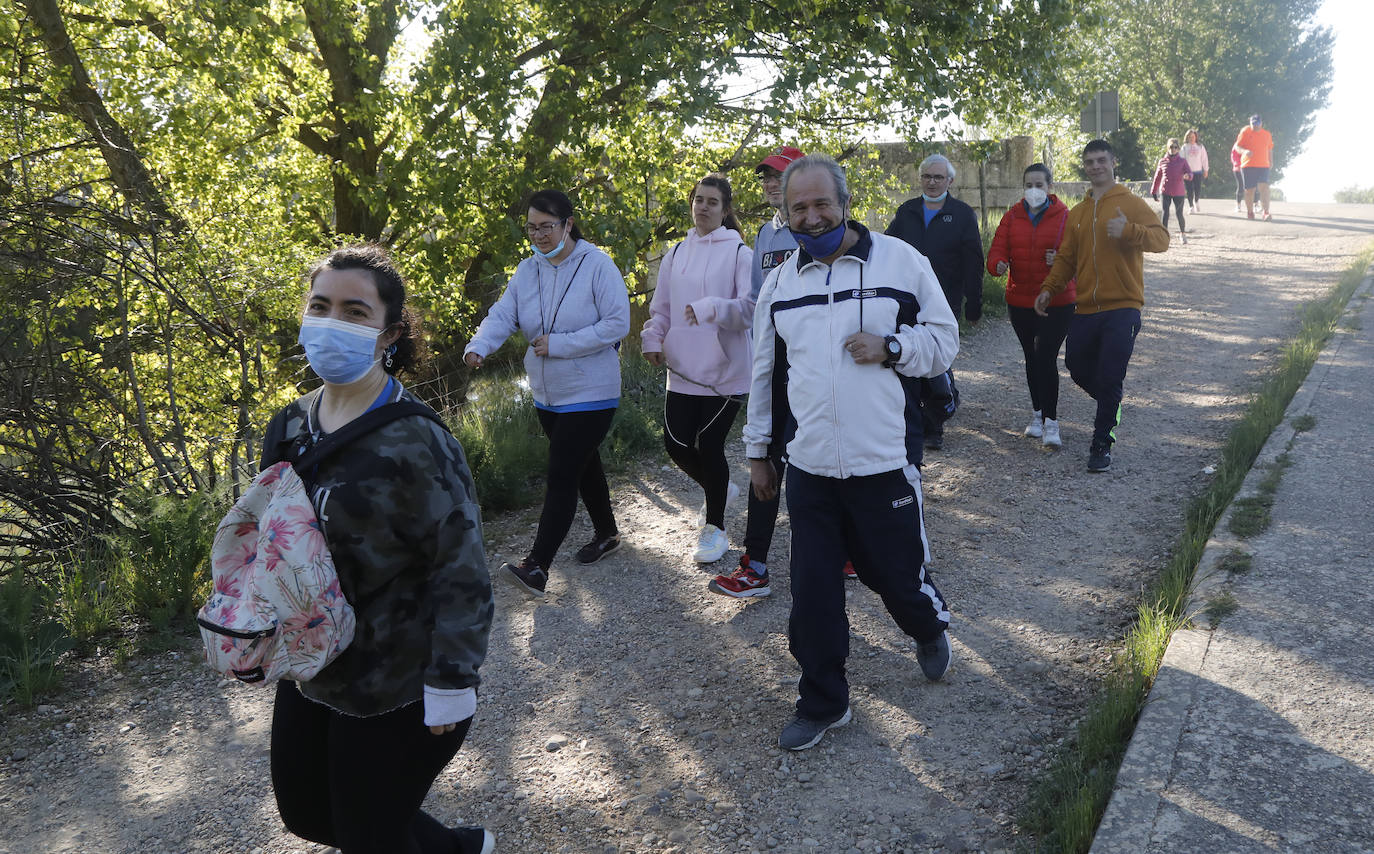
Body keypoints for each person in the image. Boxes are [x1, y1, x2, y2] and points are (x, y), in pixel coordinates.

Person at [263, 245, 495, 854]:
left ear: (388, 333)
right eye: (321, 306)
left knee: (368, 833)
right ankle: (457, 848)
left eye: (354, 311)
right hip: (314, 662)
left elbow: (461, 566)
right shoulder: (290, 424)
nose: (331, 321)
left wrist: (452, 678)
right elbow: (276, 538)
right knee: (309, 814)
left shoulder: (417, 438)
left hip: (396, 677)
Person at [744, 154, 959, 751]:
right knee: (812, 591)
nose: (812, 218)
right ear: (785, 216)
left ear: (843, 201)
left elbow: (944, 343)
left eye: (821, 204)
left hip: (883, 461)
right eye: (798, 209)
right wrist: (759, 452)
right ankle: (823, 701)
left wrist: (892, 346)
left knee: (894, 579)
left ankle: (927, 624)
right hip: (809, 468)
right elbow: (763, 374)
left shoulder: (900, 261)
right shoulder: (781, 285)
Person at [707, 145, 858, 598]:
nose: (771, 184)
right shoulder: (765, 236)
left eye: (779, 176)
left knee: (834, 457)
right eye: (766, 179)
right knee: (764, 458)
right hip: (776, 369)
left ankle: (849, 546)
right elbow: (758, 303)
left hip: (822, 369)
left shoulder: (826, 227)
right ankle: (754, 563)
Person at [464, 189, 631, 597]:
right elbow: (503, 314)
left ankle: (537, 567)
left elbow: (617, 323)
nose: (538, 235)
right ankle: (607, 534)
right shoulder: (527, 270)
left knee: (561, 474)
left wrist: (560, 344)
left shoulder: (597, 265)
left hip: (592, 391)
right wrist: (479, 345)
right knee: (583, 465)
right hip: (547, 394)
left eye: (546, 226)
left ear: (568, 224)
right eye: (532, 228)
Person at [1035, 140, 1169, 473]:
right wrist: (1049, 289)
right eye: (1090, 162)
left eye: (1101, 161)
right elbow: (1067, 258)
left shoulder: (1130, 202)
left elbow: (1162, 239)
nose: (1095, 166)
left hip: (1124, 306)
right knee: (1077, 366)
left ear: (1113, 162)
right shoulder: (1078, 212)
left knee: (1110, 376)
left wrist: (1129, 231)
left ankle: (1101, 443)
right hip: (1086, 308)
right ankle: (1112, 403)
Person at [641, 174, 754, 564]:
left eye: (712, 202)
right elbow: (662, 311)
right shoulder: (675, 253)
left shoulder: (741, 254)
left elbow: (750, 310)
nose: (703, 207)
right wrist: (653, 339)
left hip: (727, 373)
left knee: (710, 446)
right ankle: (718, 487)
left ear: (726, 210)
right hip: (683, 371)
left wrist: (711, 308)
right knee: (675, 444)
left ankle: (716, 528)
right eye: (698, 200)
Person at [884, 153, 983, 451]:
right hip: (908, 299)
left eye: (938, 177)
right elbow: (888, 249)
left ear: (950, 181)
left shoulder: (963, 214)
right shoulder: (907, 211)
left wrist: (974, 302)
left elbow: (973, 261)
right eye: (927, 176)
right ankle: (921, 418)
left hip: (945, 299)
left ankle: (936, 419)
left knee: (937, 358)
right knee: (913, 355)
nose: (932, 181)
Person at [986, 163, 1076, 449]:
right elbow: (998, 250)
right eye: (1029, 185)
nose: (1034, 190)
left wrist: (1060, 261)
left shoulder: (1065, 217)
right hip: (1020, 300)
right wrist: (997, 265)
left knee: (1045, 355)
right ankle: (1037, 414)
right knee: (1031, 357)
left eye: (1039, 185)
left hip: (1057, 301)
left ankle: (1052, 422)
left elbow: (1079, 259)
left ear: (1050, 187)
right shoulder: (1012, 216)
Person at [1150, 138, 1192, 244]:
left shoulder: (1182, 161)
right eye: (1171, 147)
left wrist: (1188, 176)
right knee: (1165, 213)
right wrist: (1153, 191)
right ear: (1167, 148)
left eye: (1175, 147)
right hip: (1165, 190)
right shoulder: (1162, 161)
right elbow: (1157, 177)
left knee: (1179, 213)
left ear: (1178, 148)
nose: (1173, 149)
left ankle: (1182, 234)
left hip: (1179, 192)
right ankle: (1164, 236)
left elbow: (1190, 173)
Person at [1234, 114, 1275, 221]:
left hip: (1263, 165)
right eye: (1253, 123)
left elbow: (1270, 148)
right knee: (1249, 190)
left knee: (1264, 187)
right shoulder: (1245, 132)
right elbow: (1237, 147)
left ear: (1261, 123)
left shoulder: (1267, 134)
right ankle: (1250, 212)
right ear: (1250, 123)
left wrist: (1271, 161)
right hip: (1248, 165)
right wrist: (1245, 151)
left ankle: (1265, 212)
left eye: (1257, 123)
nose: (1255, 126)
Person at [1180, 128, 1209, 213]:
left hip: (1198, 172)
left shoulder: (1200, 146)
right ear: (1187, 138)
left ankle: (1196, 201)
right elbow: (1181, 160)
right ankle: (1191, 206)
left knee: (1198, 189)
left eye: (1193, 137)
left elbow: (1204, 159)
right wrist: (1182, 172)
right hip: (1188, 173)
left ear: (1196, 137)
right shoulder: (1184, 147)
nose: (1191, 138)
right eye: (1190, 137)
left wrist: (1206, 170)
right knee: (1189, 190)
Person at [1230, 143, 1245, 213]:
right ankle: (1238, 205)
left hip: (1247, 168)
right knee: (1241, 186)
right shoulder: (1236, 145)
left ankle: (1255, 205)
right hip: (1238, 169)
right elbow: (1234, 157)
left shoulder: (1248, 143)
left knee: (1252, 187)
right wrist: (1238, 165)